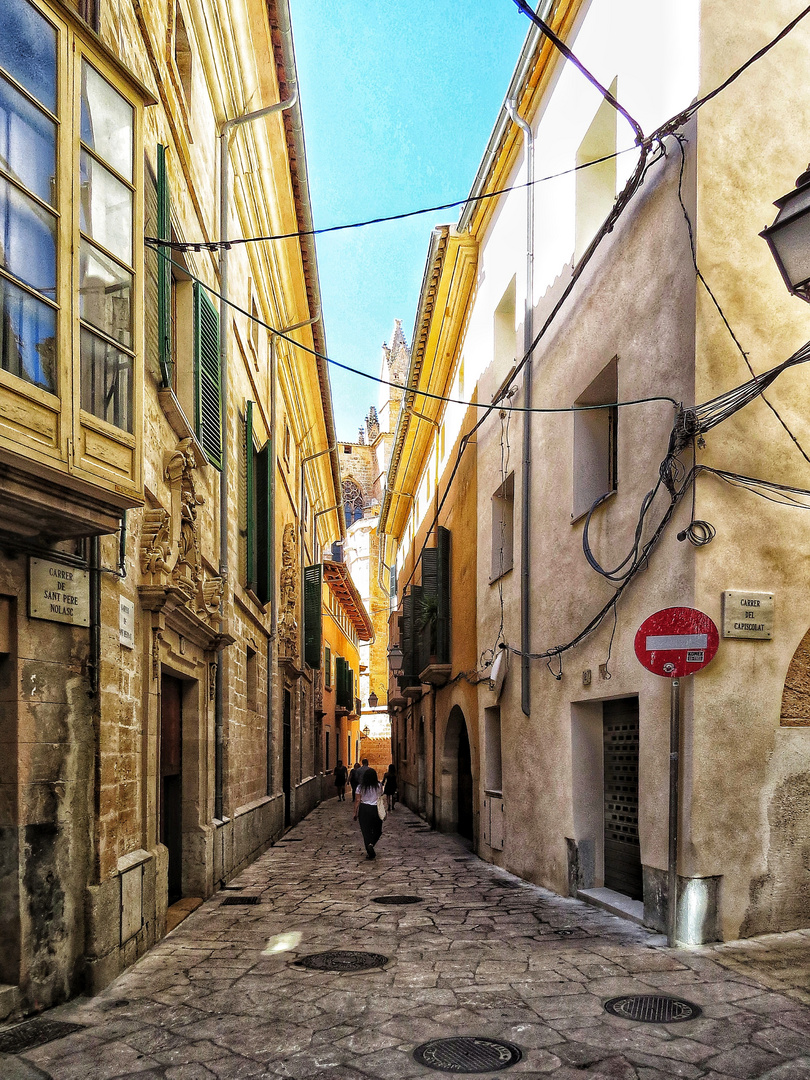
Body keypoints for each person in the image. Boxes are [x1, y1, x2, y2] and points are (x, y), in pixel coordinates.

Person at [353, 767, 383, 859]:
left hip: (364, 809)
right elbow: (380, 795)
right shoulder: (379, 786)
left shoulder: (360, 787)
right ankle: (371, 844)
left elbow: (357, 800)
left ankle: (369, 848)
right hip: (375, 809)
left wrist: (355, 813)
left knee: (366, 831)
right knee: (378, 830)